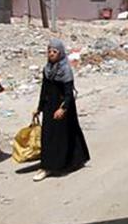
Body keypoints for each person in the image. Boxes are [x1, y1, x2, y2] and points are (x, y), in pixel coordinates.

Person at [32, 38, 89, 181]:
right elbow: (44, 89)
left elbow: (69, 93)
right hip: (49, 106)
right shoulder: (47, 69)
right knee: (48, 136)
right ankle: (48, 165)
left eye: (54, 51)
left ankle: (59, 164)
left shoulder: (65, 70)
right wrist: (38, 108)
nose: (51, 54)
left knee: (63, 135)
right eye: (49, 51)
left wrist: (63, 108)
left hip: (62, 106)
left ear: (60, 53)